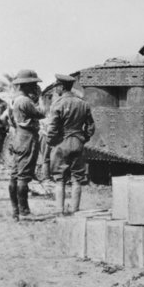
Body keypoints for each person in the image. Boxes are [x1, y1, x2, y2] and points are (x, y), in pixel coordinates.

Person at [46, 74, 95, 215]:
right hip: (78, 143)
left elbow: (53, 128)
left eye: (57, 86)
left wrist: (51, 142)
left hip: (61, 144)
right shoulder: (83, 103)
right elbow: (91, 127)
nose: (56, 89)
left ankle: (59, 210)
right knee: (77, 179)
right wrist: (83, 138)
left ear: (61, 87)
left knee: (59, 179)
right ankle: (75, 210)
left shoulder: (57, 104)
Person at [8, 69, 46, 220]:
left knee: (14, 175)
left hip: (17, 136)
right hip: (27, 138)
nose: (35, 86)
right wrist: (41, 97)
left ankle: (15, 210)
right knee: (23, 176)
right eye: (34, 84)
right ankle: (24, 211)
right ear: (28, 85)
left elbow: (10, 121)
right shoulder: (25, 101)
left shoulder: (14, 100)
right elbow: (42, 113)